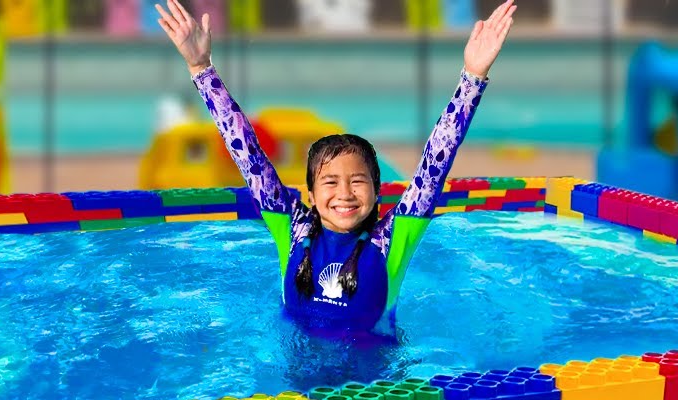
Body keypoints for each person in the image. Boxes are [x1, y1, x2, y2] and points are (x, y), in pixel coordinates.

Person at [156, 0, 516, 337]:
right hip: (295, 380)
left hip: (371, 389)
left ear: (377, 190)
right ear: (310, 194)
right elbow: (248, 155)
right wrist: (201, 69)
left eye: (357, 181)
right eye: (330, 182)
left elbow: (435, 162)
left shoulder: (390, 240)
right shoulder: (292, 228)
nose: (344, 193)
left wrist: (472, 76)